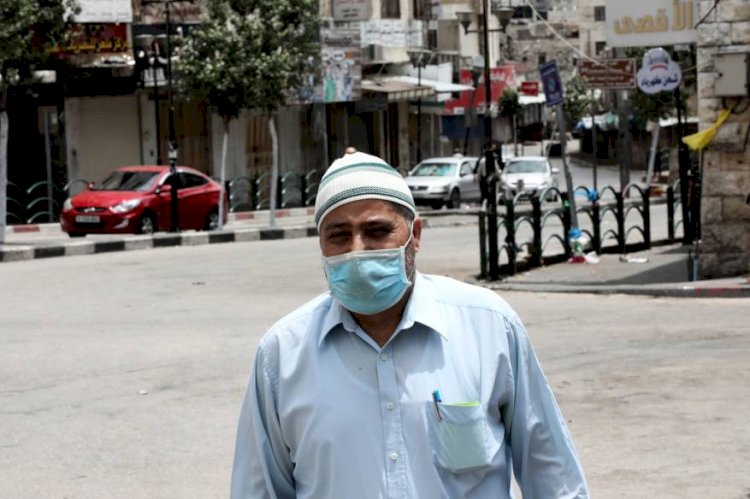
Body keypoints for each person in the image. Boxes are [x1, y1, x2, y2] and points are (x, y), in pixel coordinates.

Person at [230, 152, 589, 499]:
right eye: (339, 235)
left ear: (414, 234)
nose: (358, 250)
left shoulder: (489, 327)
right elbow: (258, 490)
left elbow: (554, 477)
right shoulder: (282, 355)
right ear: (321, 243)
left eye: (377, 231)